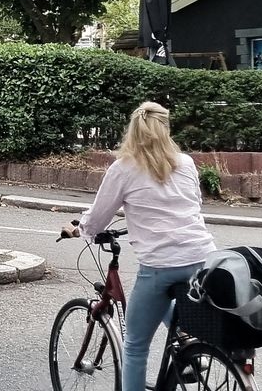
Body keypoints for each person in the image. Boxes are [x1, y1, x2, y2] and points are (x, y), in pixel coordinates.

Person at [61, 101, 215, 391]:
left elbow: (97, 218)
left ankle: (185, 344)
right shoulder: (186, 163)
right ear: (166, 129)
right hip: (202, 258)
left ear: (132, 131)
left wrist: (80, 230)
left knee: (134, 346)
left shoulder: (124, 168)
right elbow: (194, 203)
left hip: (160, 266)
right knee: (173, 297)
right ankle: (189, 345)